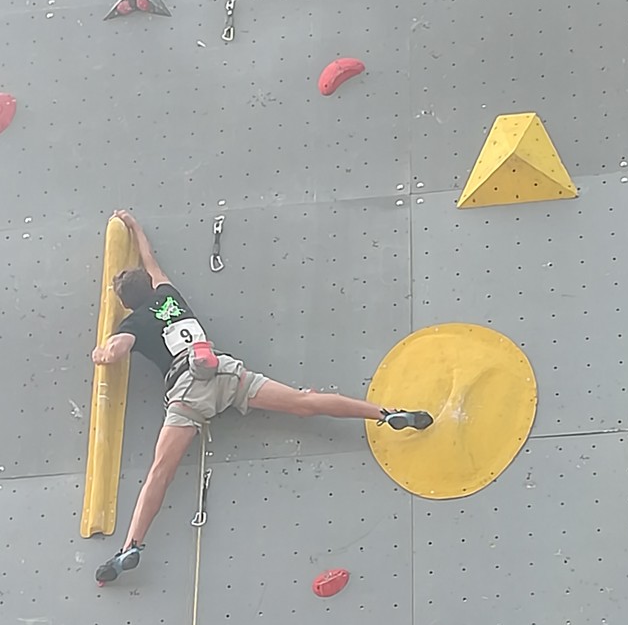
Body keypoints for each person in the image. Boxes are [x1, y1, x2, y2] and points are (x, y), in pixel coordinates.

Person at [90, 211, 432, 585]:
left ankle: (132, 546)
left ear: (127, 304)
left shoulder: (134, 323)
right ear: (150, 286)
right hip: (222, 369)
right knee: (303, 402)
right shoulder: (168, 295)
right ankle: (385, 413)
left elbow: (117, 351)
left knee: (161, 471)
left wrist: (102, 352)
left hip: (188, 390)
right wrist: (136, 227)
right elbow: (151, 260)